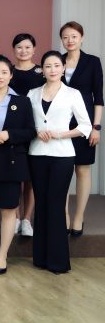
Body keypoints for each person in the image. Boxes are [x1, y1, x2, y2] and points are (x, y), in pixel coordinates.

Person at [27, 51, 91, 274]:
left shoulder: (73, 94)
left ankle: (58, 261)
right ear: (42, 70)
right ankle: (40, 258)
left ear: (63, 68)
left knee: (55, 204)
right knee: (41, 204)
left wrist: (60, 134)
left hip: (62, 155)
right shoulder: (33, 93)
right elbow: (27, 122)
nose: (52, 69)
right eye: (48, 66)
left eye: (56, 65)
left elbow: (85, 126)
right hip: (37, 153)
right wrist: (37, 130)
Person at [0, 56, 36, 275]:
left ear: (11, 75)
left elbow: (30, 131)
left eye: (4, 72)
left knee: (9, 209)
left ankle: (3, 255)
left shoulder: (22, 101)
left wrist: (9, 134)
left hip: (12, 162)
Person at [60, 21, 103, 237]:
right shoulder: (57, 61)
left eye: (74, 36)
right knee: (62, 170)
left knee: (83, 169)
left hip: (85, 124)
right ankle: (64, 215)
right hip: (60, 124)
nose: (70, 40)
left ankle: (79, 217)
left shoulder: (92, 62)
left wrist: (96, 127)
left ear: (81, 38)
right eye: (66, 37)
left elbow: (98, 97)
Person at [9, 33, 45, 237]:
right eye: (19, 47)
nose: (23, 51)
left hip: (35, 128)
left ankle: (26, 219)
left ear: (34, 49)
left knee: (31, 178)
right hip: (13, 130)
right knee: (14, 176)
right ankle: (14, 217)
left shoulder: (41, 72)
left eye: (27, 47)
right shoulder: (8, 71)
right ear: (14, 50)